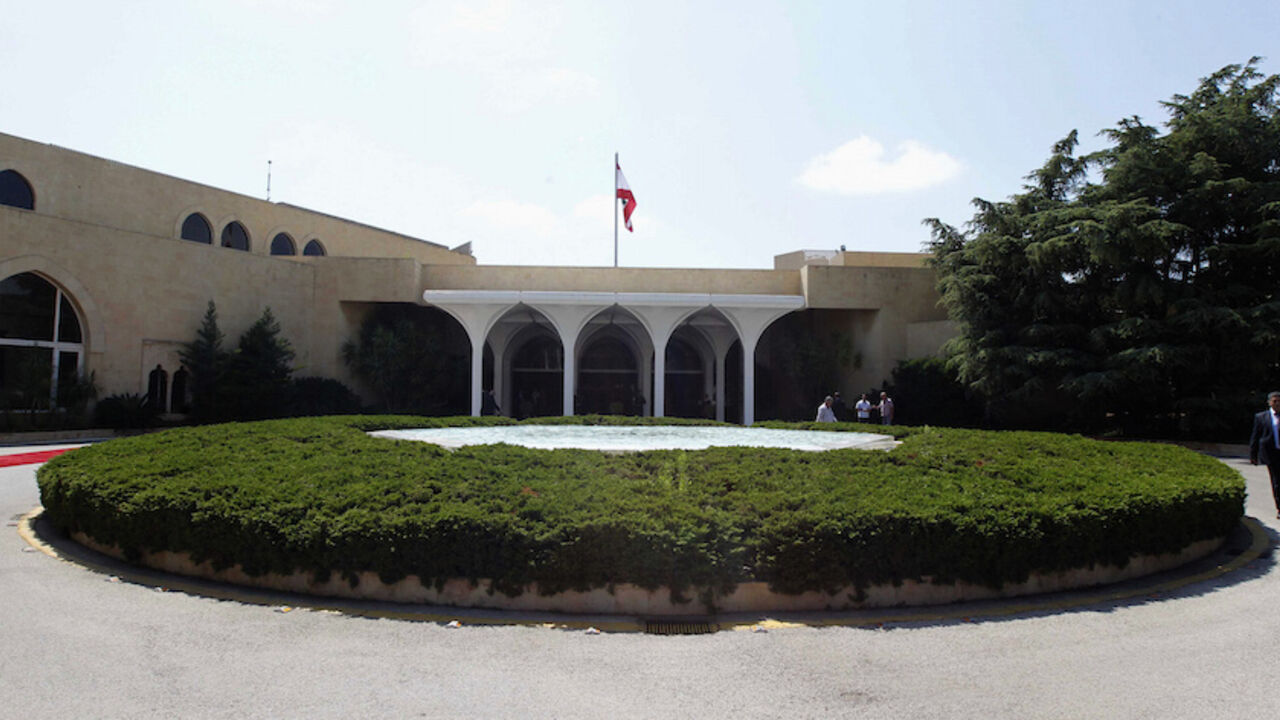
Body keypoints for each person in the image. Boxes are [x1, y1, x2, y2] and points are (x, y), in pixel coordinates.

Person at [1249, 391, 1280, 519]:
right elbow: (1255, 436)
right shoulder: (1261, 417)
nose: (1277, 404)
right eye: (1275, 401)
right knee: (1276, 481)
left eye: (1279, 401)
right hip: (1271, 454)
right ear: (1269, 402)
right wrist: (1253, 455)